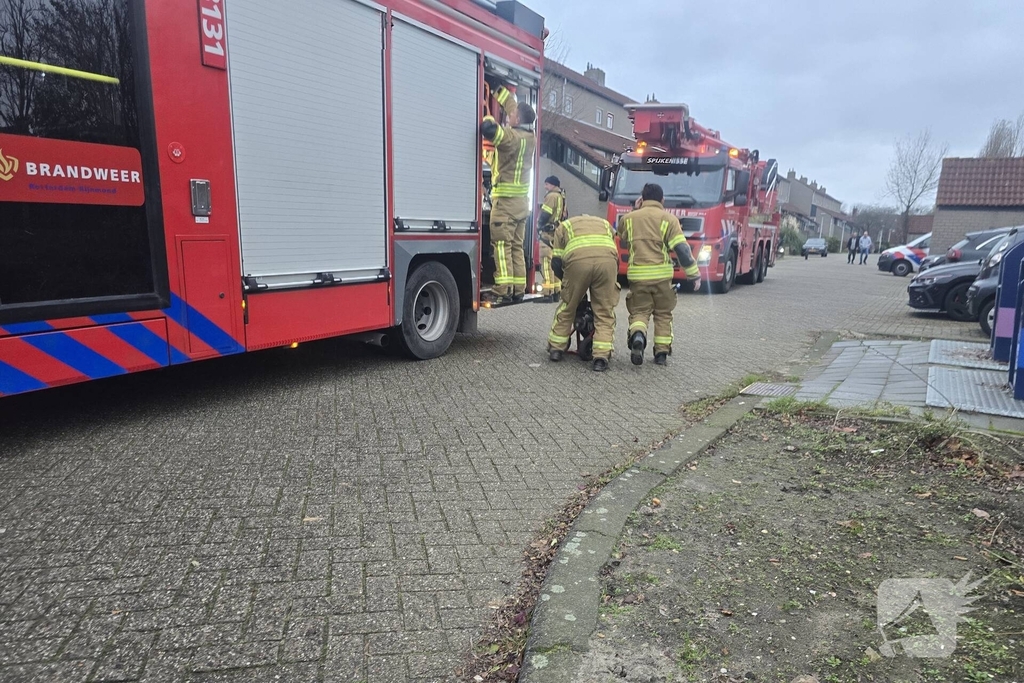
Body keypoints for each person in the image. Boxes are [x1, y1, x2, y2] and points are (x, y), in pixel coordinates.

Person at [617, 183, 701, 367]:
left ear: (642, 198)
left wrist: (634, 209)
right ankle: (661, 354)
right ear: (662, 200)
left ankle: (638, 335)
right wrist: (693, 275)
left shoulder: (629, 219)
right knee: (663, 314)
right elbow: (682, 249)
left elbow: (621, 236)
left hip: (638, 276)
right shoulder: (669, 220)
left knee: (639, 312)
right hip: (662, 277)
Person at [481, 86, 536, 302]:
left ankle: (503, 289)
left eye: (511, 116)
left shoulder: (511, 138)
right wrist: (497, 90)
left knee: (502, 248)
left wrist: (485, 112)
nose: (509, 116)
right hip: (522, 205)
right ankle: (518, 288)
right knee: (516, 247)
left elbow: (489, 128)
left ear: (517, 119)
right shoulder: (529, 137)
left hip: (505, 204)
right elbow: (514, 106)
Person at [547, 215, 619, 372]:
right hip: (607, 262)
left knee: (568, 307)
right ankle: (601, 358)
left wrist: (568, 284)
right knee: (604, 312)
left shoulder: (563, 227)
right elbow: (614, 253)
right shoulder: (606, 225)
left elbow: (556, 262)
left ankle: (556, 350)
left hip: (577, 262)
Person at [538, 176, 566, 301]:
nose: (545, 187)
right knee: (554, 264)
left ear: (553, 185)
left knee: (545, 262)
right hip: (556, 234)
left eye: (547, 184)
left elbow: (545, 214)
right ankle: (556, 291)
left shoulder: (551, 196)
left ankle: (547, 292)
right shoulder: (562, 197)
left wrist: (538, 226)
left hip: (547, 234)